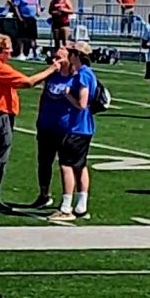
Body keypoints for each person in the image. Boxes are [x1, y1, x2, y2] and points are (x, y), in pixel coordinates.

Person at [0, 34, 62, 209]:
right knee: (1, 154)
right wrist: (52, 69)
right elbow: (27, 82)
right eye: (8, 49)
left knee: (0, 152)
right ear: (0, 50)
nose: (10, 52)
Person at [48, 42, 99, 222]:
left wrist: (68, 94)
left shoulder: (83, 75)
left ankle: (66, 206)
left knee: (66, 165)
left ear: (76, 55)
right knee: (80, 165)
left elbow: (82, 104)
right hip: (83, 127)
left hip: (77, 127)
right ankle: (81, 204)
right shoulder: (85, 73)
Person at [33, 45, 75, 209]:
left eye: (59, 57)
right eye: (54, 57)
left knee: (66, 164)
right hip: (46, 125)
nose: (55, 60)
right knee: (44, 162)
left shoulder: (75, 77)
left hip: (64, 127)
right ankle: (44, 194)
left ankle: (67, 200)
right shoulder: (51, 75)